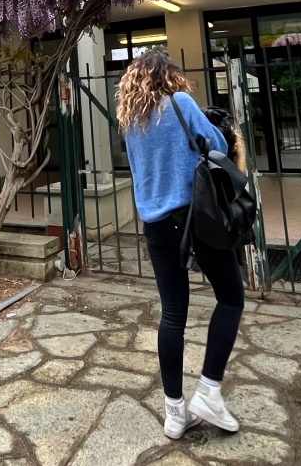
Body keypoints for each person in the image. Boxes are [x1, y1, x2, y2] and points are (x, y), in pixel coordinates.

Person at [116, 51, 245, 440]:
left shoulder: (131, 120)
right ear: (168, 76)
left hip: (155, 225)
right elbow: (217, 144)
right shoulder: (180, 102)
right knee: (231, 298)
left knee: (173, 315)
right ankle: (208, 390)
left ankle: (175, 412)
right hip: (194, 218)